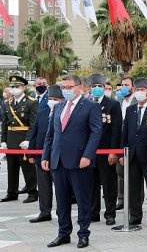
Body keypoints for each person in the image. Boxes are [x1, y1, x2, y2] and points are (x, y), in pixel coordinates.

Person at [42, 75, 103, 249]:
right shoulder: (59, 106)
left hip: (79, 161)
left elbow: (96, 132)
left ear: (80, 87)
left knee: (83, 200)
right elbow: (51, 134)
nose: (66, 90)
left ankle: (83, 234)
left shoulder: (91, 106)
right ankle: (63, 233)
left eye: (70, 86)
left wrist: (87, 155)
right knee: (61, 200)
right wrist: (46, 156)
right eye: (64, 87)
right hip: (58, 160)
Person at [120, 78, 147, 228]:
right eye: (137, 90)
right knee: (133, 188)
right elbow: (125, 132)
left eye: (142, 90)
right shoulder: (131, 109)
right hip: (132, 154)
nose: (139, 93)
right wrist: (122, 153)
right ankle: (135, 216)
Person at [87, 74, 122, 226]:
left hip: (106, 150)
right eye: (94, 86)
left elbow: (116, 130)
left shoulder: (112, 105)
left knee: (108, 184)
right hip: (90, 151)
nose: (96, 89)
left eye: (99, 86)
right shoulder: (86, 103)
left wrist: (113, 151)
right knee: (91, 184)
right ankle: (94, 213)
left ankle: (110, 213)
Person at [27, 85, 63, 223]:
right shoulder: (42, 112)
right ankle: (44, 211)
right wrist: (31, 153)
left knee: (60, 187)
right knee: (43, 185)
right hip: (41, 154)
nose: (52, 101)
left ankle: (62, 212)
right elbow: (34, 133)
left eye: (56, 99)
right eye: (50, 98)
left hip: (58, 155)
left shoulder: (64, 112)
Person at [1, 75, 39, 203]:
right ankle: (12, 192)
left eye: (16, 86)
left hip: (24, 139)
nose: (13, 89)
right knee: (11, 168)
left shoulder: (31, 102)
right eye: (12, 87)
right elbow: (4, 124)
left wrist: (29, 140)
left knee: (28, 168)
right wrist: (3, 140)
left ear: (23, 87)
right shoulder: (8, 103)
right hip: (11, 139)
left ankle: (32, 192)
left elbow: (34, 124)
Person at [116, 76, 136, 210]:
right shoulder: (118, 102)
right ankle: (122, 198)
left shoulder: (136, 101)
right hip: (120, 142)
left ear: (132, 87)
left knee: (135, 175)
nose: (124, 87)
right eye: (122, 85)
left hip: (134, 143)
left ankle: (135, 201)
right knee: (120, 172)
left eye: (126, 85)